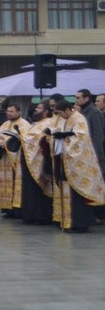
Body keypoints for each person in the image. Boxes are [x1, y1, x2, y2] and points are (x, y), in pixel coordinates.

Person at [47, 97, 105, 232]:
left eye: (61, 113)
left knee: (77, 197)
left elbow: (80, 139)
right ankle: (67, 221)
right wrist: (55, 137)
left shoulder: (79, 119)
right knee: (66, 191)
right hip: (65, 162)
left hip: (78, 164)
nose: (60, 116)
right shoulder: (65, 119)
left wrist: (65, 137)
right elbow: (58, 133)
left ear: (68, 109)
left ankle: (79, 224)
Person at [18, 101, 55, 225]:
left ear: (46, 111)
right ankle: (30, 214)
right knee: (29, 188)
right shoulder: (35, 123)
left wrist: (22, 137)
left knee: (38, 189)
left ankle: (40, 216)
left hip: (39, 161)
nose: (36, 110)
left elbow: (39, 139)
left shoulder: (48, 122)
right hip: (29, 160)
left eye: (39, 108)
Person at [0, 102, 30, 218]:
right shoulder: (5, 124)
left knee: (15, 184)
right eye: (8, 112)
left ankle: (17, 209)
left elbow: (26, 140)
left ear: (18, 112)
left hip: (16, 159)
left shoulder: (24, 124)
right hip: (4, 159)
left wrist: (11, 143)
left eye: (11, 112)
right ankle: (7, 209)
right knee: (4, 184)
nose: (9, 114)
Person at [74, 88, 105, 176]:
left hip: (93, 152)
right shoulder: (82, 112)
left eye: (78, 98)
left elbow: (98, 135)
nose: (76, 100)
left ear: (86, 98)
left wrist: (97, 154)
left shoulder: (94, 112)